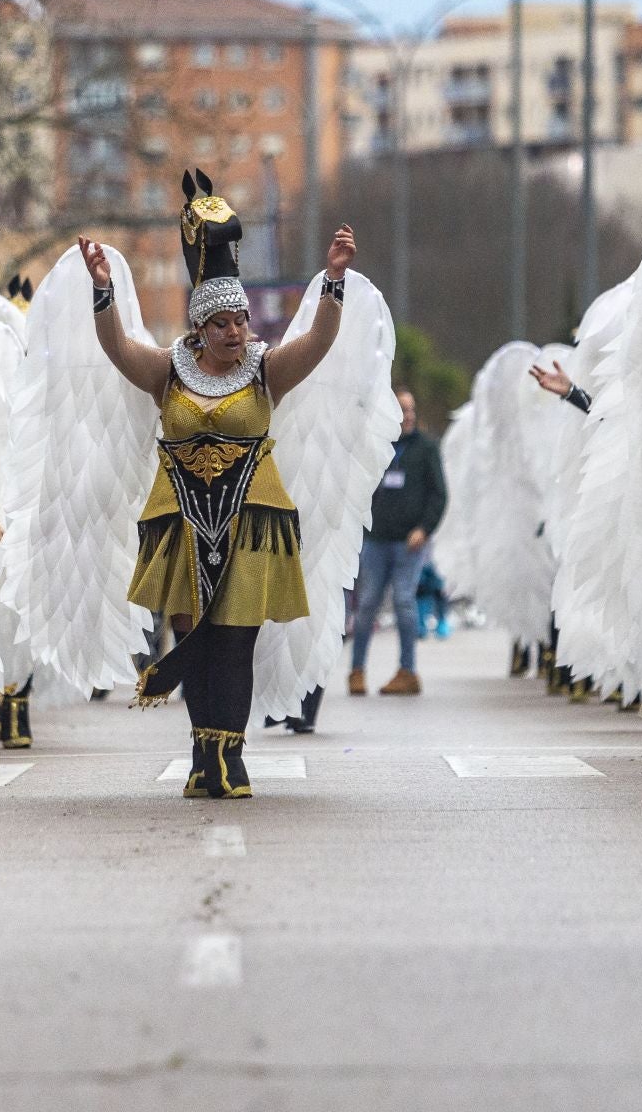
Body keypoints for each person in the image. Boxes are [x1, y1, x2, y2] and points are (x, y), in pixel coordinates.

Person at [84, 169, 358, 798]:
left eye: (241, 320)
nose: (237, 331)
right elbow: (116, 347)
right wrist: (103, 291)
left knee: (233, 641)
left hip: (250, 520)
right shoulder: (168, 373)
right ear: (200, 329)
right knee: (194, 641)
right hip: (180, 521)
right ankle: (202, 755)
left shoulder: (266, 371)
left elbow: (317, 340)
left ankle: (231, 759)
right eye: (223, 323)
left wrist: (334, 281)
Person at [347, 388, 448, 697]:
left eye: (411, 409)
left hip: (409, 543)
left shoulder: (426, 449)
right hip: (376, 540)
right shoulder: (377, 446)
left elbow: (439, 494)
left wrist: (425, 529)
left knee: (405, 601)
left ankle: (407, 671)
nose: (408, 416)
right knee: (366, 605)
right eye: (402, 410)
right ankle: (357, 670)